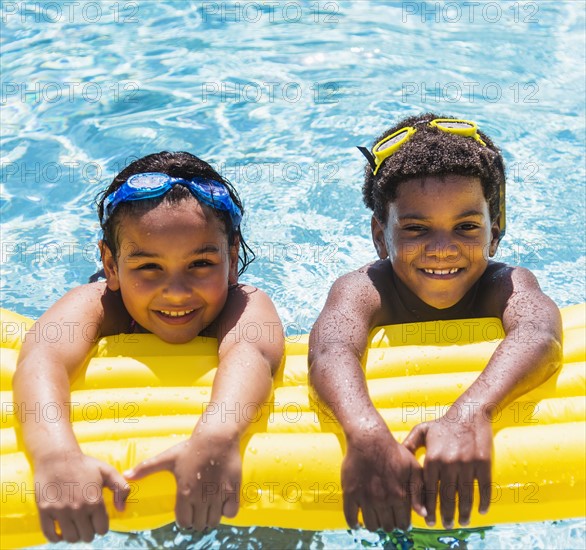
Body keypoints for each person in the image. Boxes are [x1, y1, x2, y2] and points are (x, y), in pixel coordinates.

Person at [308, 113, 562, 532]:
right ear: (379, 236)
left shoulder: (504, 283)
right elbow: (330, 350)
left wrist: (469, 415)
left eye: (466, 227)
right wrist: (366, 433)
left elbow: (539, 333)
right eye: (416, 228)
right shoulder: (365, 288)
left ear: (494, 234)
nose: (442, 249)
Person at [13, 151, 284, 543]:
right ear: (110, 265)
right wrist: (57, 456)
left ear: (233, 256)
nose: (176, 293)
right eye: (148, 268)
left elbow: (252, 353)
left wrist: (216, 438)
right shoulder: (100, 304)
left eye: (201, 264)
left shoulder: (245, 303)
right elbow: (43, 356)